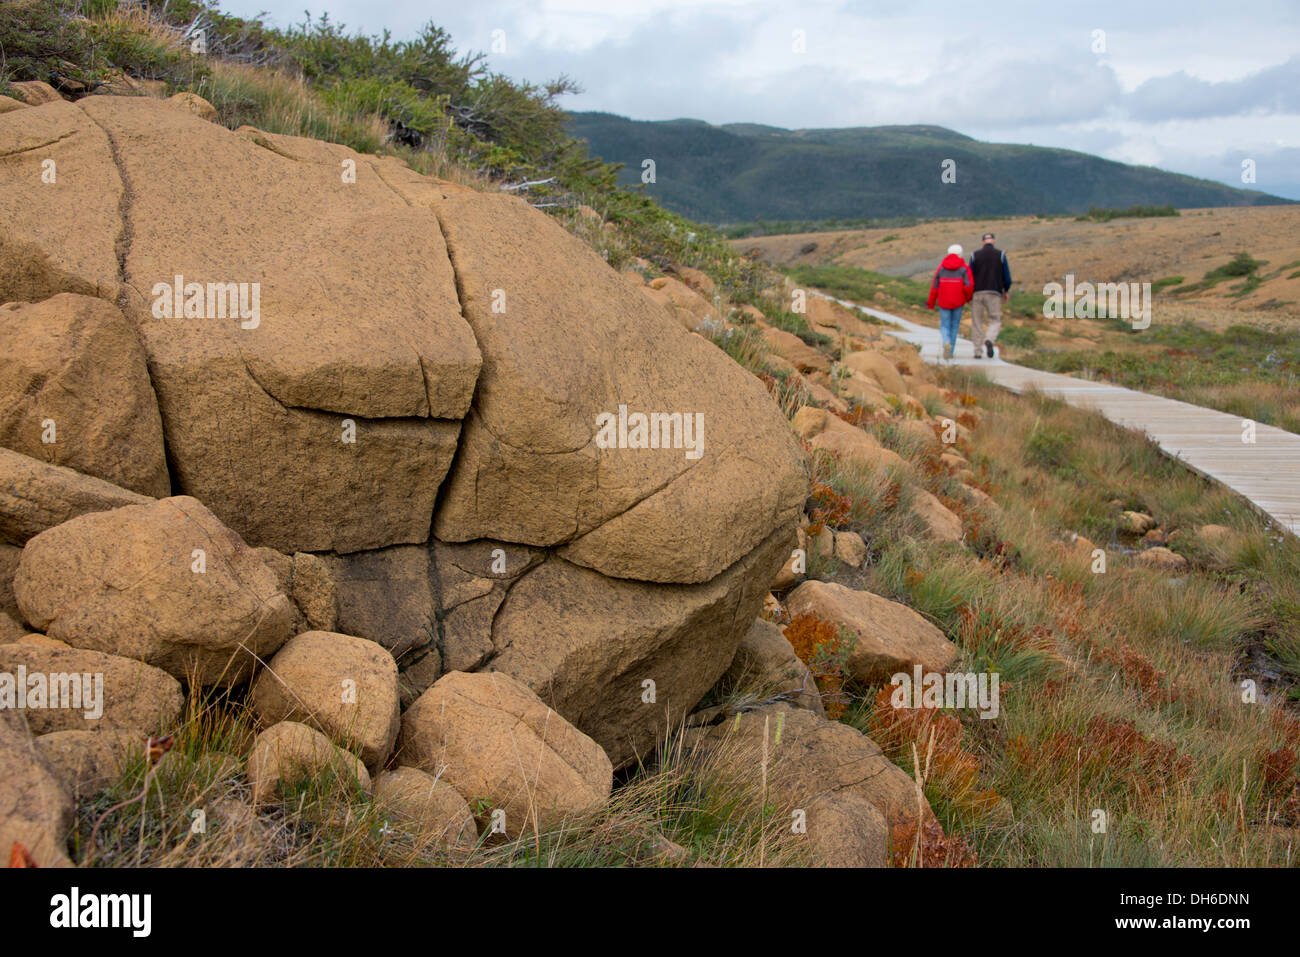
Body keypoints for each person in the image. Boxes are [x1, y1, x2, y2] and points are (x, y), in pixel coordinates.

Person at [968, 232, 1013, 358]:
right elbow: (1007, 277)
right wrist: (1006, 290)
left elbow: (969, 275)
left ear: (983, 242)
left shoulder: (974, 255)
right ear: (994, 241)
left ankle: (977, 351)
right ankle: (989, 339)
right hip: (994, 292)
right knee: (994, 320)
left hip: (977, 292)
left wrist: (969, 292)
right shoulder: (1001, 255)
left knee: (977, 322)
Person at [926, 243, 973, 360]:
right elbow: (969, 286)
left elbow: (934, 287)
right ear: (960, 254)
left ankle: (946, 341)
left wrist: (931, 303)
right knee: (955, 325)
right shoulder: (964, 269)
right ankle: (950, 351)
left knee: (944, 325)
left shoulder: (941, 268)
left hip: (944, 301)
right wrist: (967, 298)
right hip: (958, 301)